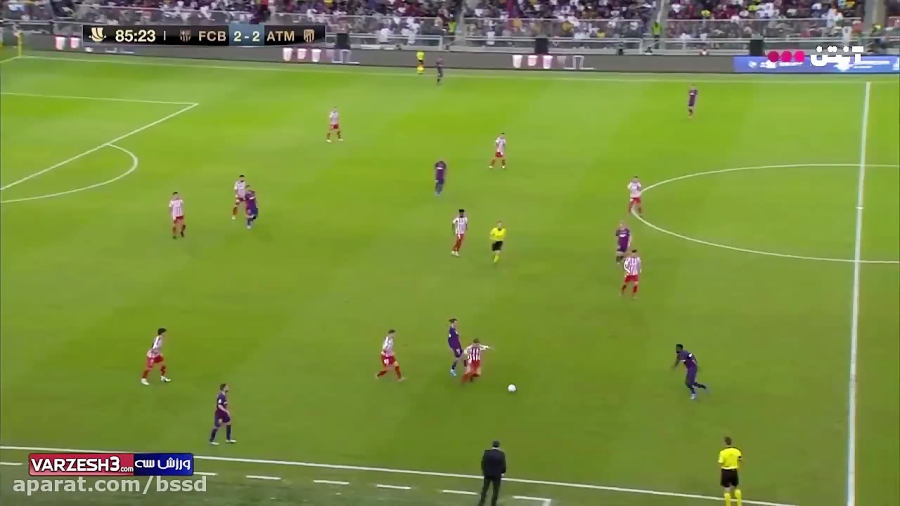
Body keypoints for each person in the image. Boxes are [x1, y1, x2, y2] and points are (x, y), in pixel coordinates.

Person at [479, 440, 506, 506]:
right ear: (498, 446)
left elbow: (483, 463)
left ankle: (481, 502)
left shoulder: (487, 453)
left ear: (492, 445)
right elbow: (503, 464)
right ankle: (493, 504)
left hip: (487, 474)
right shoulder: (501, 454)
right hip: (497, 475)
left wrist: (484, 471)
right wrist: (503, 472)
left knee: (485, 489)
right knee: (496, 490)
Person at [719, 436, 742, 506]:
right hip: (734, 470)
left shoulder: (723, 452)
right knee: (736, 487)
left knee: (727, 489)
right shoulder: (736, 451)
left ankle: (728, 505)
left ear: (724, 443)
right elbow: (740, 459)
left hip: (726, 471)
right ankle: (739, 504)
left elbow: (721, 462)